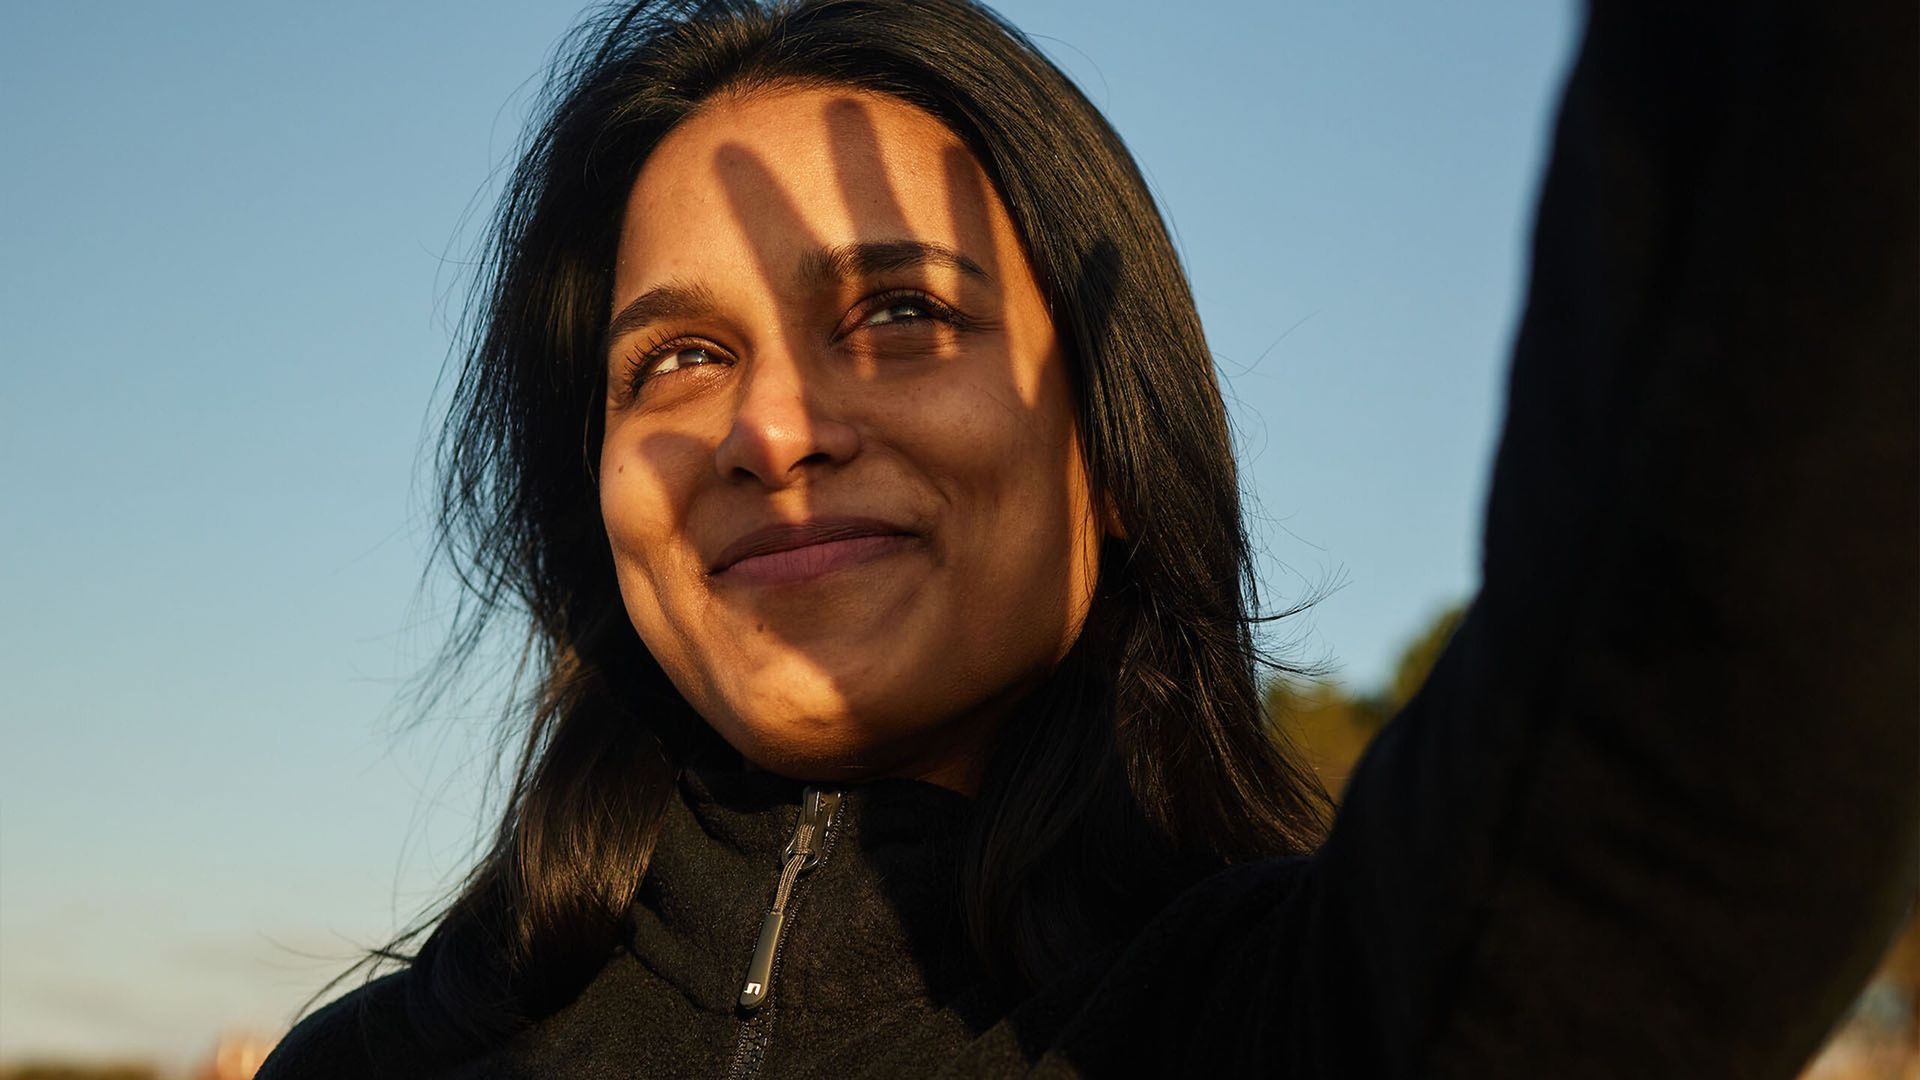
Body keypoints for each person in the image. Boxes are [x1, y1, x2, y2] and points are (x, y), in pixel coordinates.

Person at [258, 0, 1918, 1075]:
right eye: (678, 358)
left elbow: (1705, 654)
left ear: (1115, 453)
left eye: (901, 312)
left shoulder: (1310, 1030)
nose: (772, 430)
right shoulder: (374, 1070)